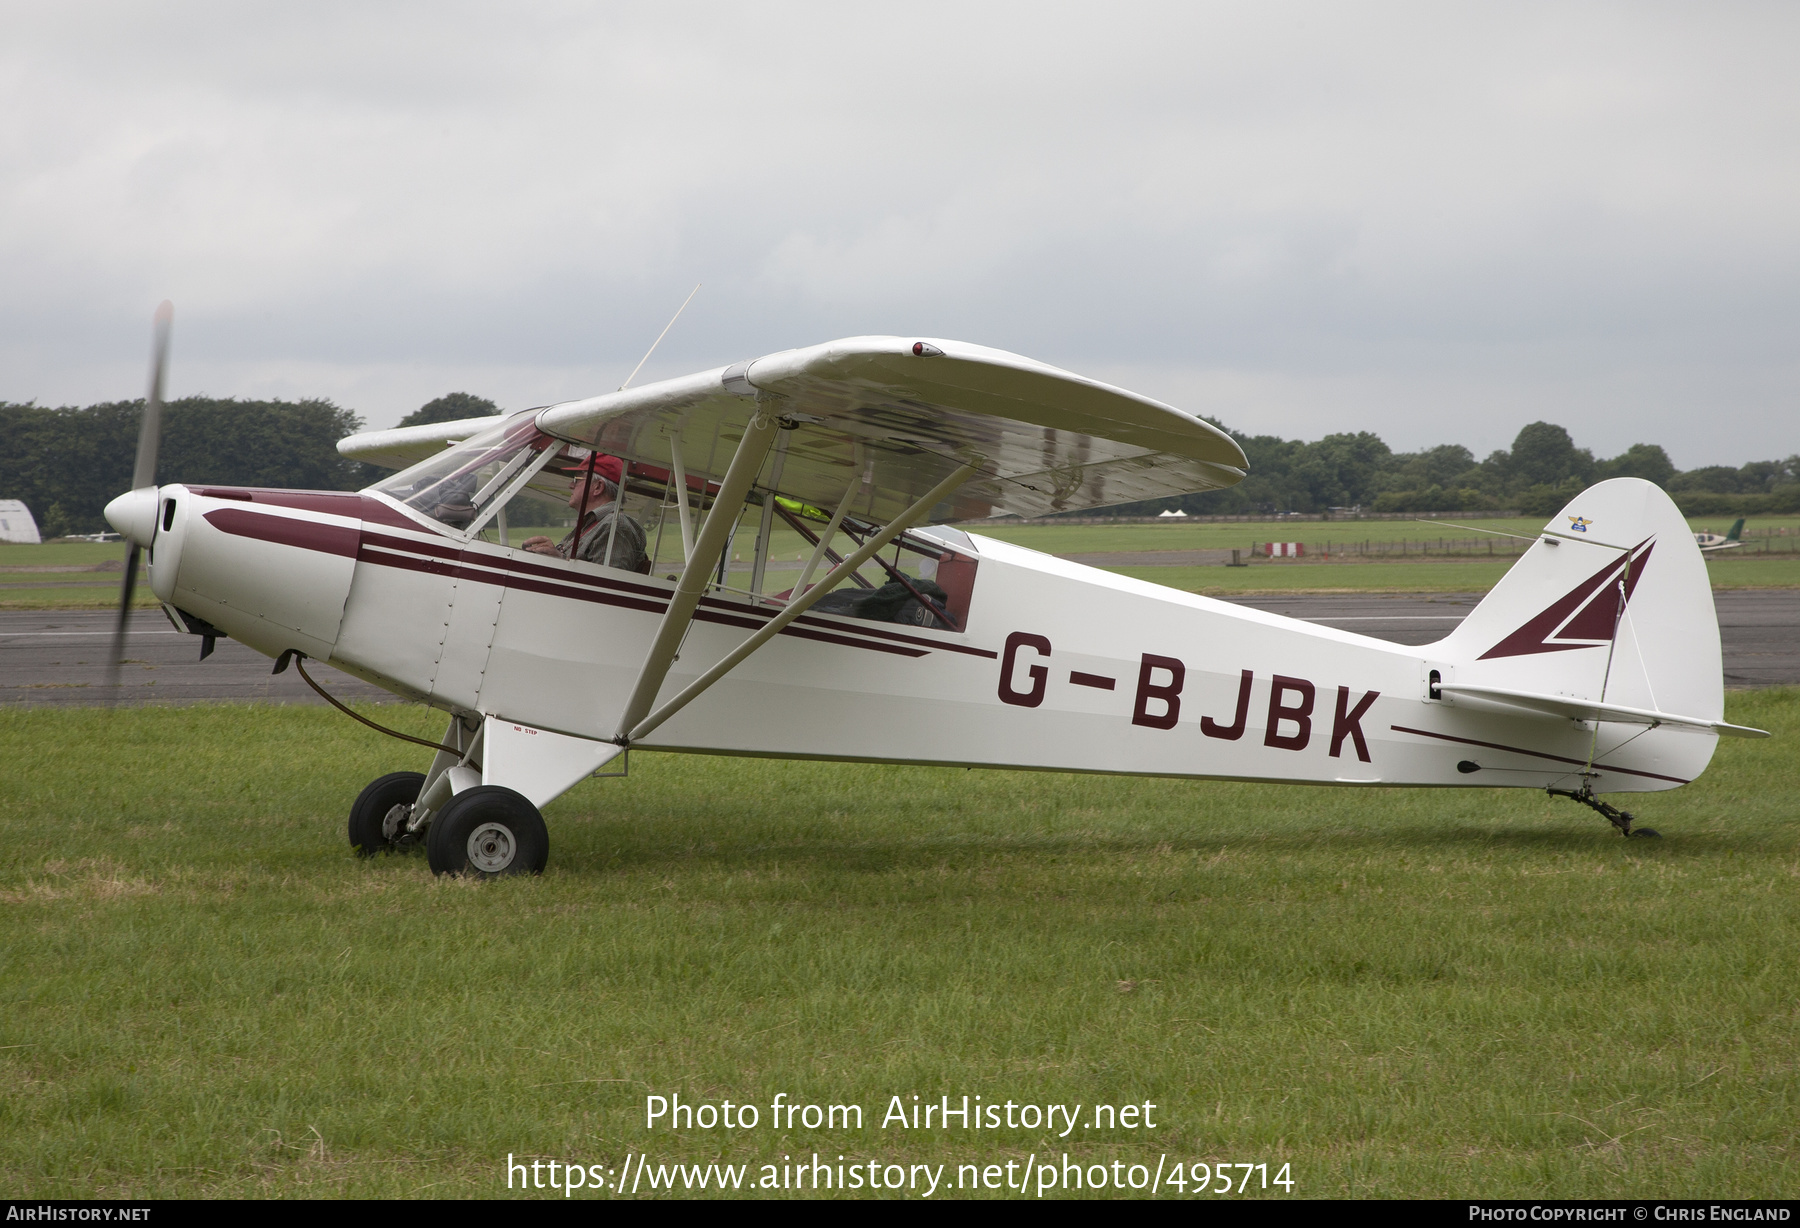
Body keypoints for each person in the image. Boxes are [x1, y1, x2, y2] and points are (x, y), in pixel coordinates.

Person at [520, 454, 651, 573]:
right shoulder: (594, 524)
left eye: (577, 479)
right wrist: (555, 556)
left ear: (598, 487)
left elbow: (607, 587)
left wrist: (559, 558)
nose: (571, 485)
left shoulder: (614, 525)